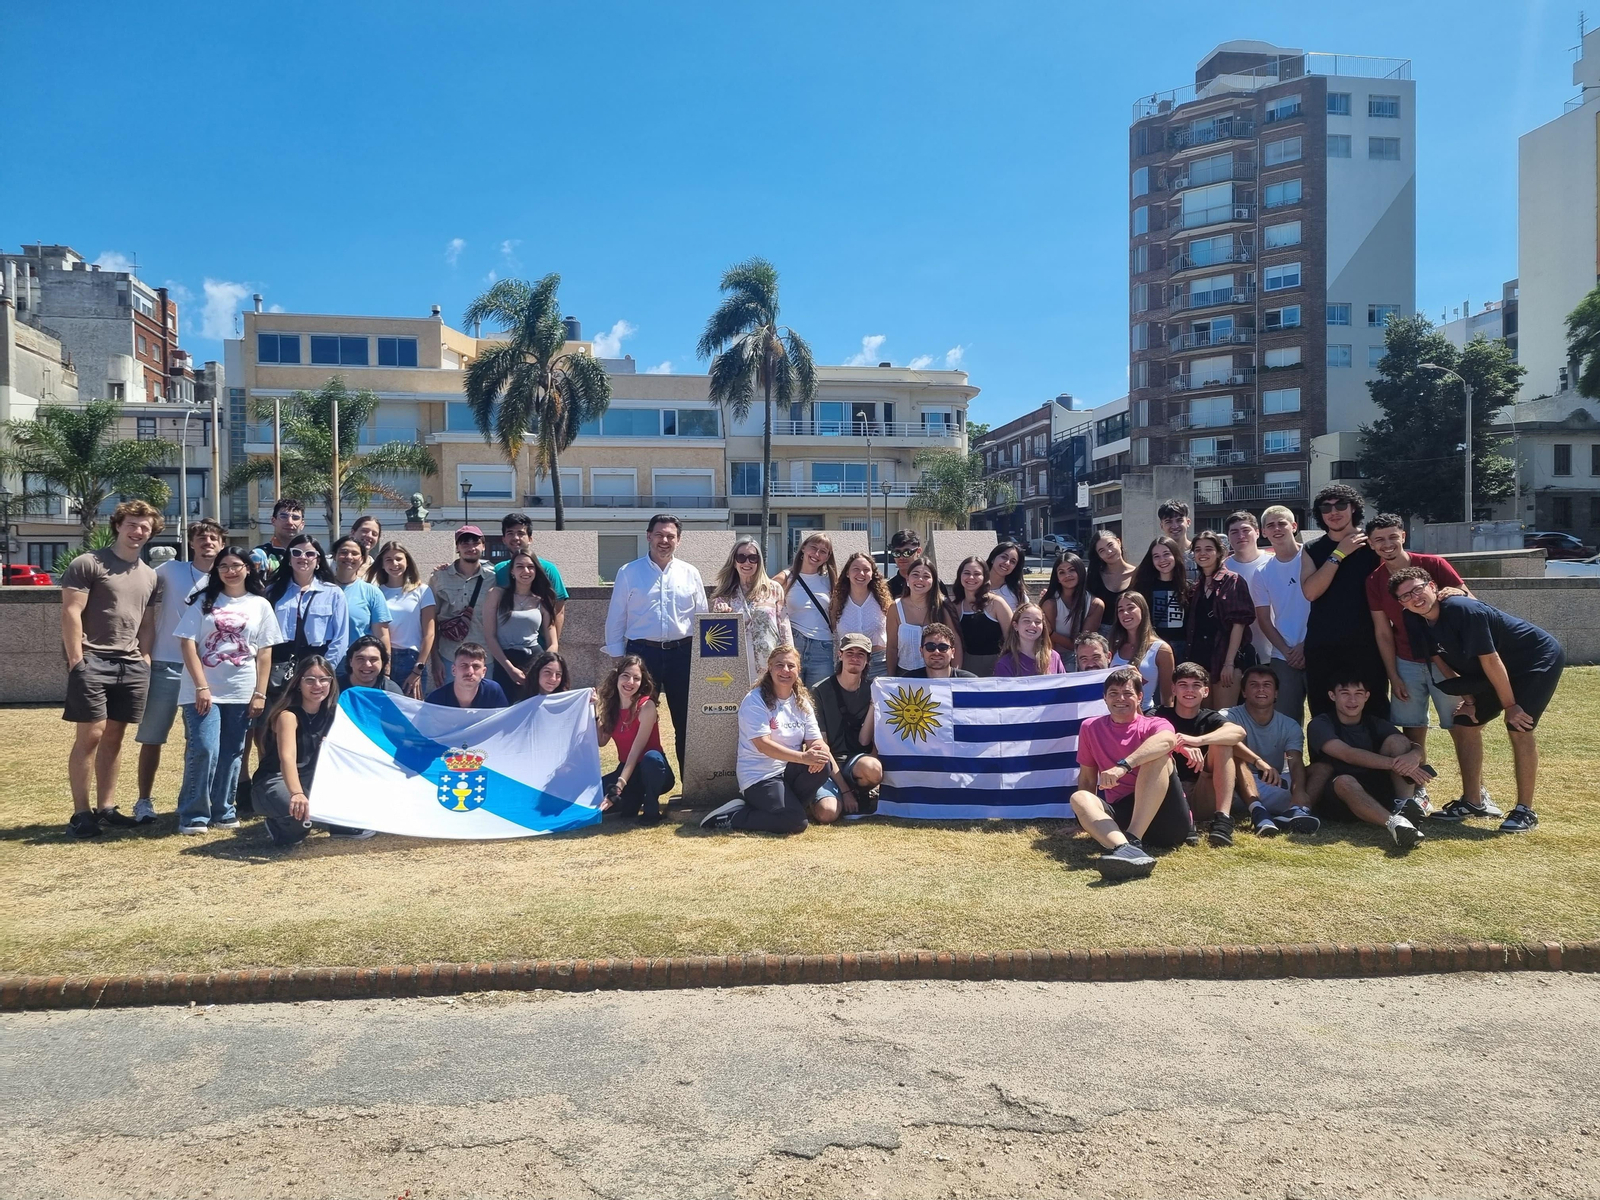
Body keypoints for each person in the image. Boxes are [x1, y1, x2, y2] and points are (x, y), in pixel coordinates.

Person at [1393, 567, 1565, 833]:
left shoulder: (1462, 609)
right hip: (1492, 671)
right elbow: (1439, 659)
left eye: (1418, 588)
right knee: (1464, 722)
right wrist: (1468, 698)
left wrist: (1510, 706)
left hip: (1533, 660)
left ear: (1433, 586)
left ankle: (1525, 811)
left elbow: (1491, 659)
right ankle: (1474, 802)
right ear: (1401, 603)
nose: (1415, 598)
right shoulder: (1413, 619)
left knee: (1519, 726)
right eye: (1405, 596)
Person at [1364, 514, 1485, 815]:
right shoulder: (1374, 580)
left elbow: (1471, 602)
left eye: (1392, 536)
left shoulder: (1433, 564)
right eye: (1379, 539)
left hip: (1448, 661)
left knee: (1463, 725)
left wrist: (1457, 592)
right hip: (1406, 661)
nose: (1387, 544)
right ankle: (1418, 793)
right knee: (1412, 731)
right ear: (1370, 544)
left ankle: (1475, 797)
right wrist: (1393, 675)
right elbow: (1383, 631)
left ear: (1403, 536)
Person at [59, 499, 166, 838]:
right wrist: (77, 660)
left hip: (130, 664)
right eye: (133, 524)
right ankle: (81, 812)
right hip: (93, 660)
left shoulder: (150, 576)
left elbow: (147, 623)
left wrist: (145, 658)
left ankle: (106, 808)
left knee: (115, 738)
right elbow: (71, 612)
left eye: (145, 528)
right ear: (118, 525)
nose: (138, 532)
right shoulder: (88, 564)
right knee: (91, 735)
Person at [172, 547, 282, 835]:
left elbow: (265, 652)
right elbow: (187, 643)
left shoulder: (260, 605)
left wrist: (259, 693)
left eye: (236, 565)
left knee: (233, 751)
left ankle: (223, 809)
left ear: (248, 568)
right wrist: (201, 686)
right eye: (223, 566)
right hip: (203, 690)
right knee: (205, 748)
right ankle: (193, 814)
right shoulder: (203, 602)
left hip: (242, 690)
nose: (230, 571)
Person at [133, 517, 222, 825]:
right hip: (165, 664)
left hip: (207, 674)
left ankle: (192, 800)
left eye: (213, 537)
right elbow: (138, 585)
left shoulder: (227, 579)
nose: (207, 542)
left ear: (222, 544)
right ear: (192, 543)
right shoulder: (171, 571)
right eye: (201, 537)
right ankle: (144, 801)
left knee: (199, 743)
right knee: (153, 736)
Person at [604, 514, 708, 774]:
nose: (664, 540)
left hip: (682, 654)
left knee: (686, 722)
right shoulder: (629, 572)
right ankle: (638, 782)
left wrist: (703, 658)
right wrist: (620, 660)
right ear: (648, 536)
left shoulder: (690, 573)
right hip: (642, 655)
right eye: (659, 534)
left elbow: (702, 617)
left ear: (679, 540)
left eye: (670, 536)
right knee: (637, 721)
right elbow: (617, 615)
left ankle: (690, 783)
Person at [1068, 666, 1194, 881]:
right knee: (1079, 797)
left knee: (1158, 757)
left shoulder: (1155, 723)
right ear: (1105, 698)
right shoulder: (1090, 727)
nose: (1121, 699)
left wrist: (1123, 766)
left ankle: (1133, 839)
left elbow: (1168, 740)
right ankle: (1126, 849)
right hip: (1123, 813)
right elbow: (1088, 777)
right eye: (1114, 694)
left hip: (1167, 817)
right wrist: (1084, 820)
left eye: (1128, 693)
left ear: (1140, 697)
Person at [700, 645, 836, 834]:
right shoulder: (755, 700)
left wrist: (819, 750)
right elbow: (763, 745)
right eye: (779, 665)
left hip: (787, 771)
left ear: (798, 670)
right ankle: (734, 817)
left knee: (824, 763)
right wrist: (804, 758)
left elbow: (815, 740)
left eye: (791, 666)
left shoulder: (801, 701)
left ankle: (785, 808)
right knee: (796, 823)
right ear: (769, 668)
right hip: (759, 777)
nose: (785, 670)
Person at [1306, 675, 1430, 851]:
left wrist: (1414, 756)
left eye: (1358, 693)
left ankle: (1403, 804)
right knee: (1344, 781)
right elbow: (1347, 754)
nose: (1352, 700)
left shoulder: (1373, 722)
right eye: (1345, 693)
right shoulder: (1320, 724)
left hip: (1375, 787)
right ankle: (1395, 823)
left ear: (1367, 696)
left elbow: (1412, 745)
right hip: (1339, 795)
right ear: (1332, 696)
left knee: (1398, 742)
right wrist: (1396, 765)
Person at [1301, 484, 1388, 719]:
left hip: (1367, 645)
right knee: (1323, 712)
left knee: (1374, 711)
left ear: (1353, 508)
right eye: (1326, 507)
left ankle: (1379, 757)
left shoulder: (1373, 545)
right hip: (1323, 646)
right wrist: (1339, 553)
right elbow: (1310, 592)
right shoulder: (1312, 548)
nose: (1333, 511)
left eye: (1340, 505)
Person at [251, 655, 349, 846]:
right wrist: (296, 793)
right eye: (309, 680)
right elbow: (287, 758)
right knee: (298, 822)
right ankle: (278, 825)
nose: (317, 685)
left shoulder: (334, 714)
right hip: (276, 780)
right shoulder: (287, 716)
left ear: (331, 683)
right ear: (298, 683)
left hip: (311, 780)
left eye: (324, 680)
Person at [1153, 662, 1246, 847]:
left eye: (1196, 685)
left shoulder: (1210, 718)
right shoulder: (1159, 714)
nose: (1190, 690)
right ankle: (1182, 819)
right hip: (1168, 795)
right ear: (1173, 689)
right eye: (1183, 685)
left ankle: (1222, 820)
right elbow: (1146, 737)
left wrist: (1198, 740)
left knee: (1222, 744)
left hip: (1202, 792)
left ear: (1206, 691)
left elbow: (1239, 733)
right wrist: (1180, 747)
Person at [1224, 665, 1320, 837]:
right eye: (1254, 684)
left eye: (1267, 685)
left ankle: (1297, 811)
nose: (1261, 689)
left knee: (1322, 769)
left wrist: (1298, 791)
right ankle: (1258, 813)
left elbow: (1294, 759)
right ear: (1244, 692)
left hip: (1272, 780)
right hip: (1237, 787)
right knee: (1235, 757)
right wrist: (1258, 762)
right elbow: (1227, 742)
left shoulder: (1289, 724)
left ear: (1276, 693)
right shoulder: (1228, 716)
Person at [809, 633, 885, 819]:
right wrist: (845, 791)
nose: (855, 658)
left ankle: (862, 791)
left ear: (868, 660)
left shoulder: (874, 690)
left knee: (873, 768)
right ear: (840, 655)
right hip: (827, 764)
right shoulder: (819, 691)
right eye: (850, 652)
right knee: (827, 814)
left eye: (861, 654)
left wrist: (873, 705)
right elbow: (821, 746)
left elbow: (866, 741)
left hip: (857, 761)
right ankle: (824, 796)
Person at [1249, 505, 1313, 721]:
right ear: (1263, 532)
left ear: (1294, 526)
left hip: (1319, 647)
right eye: (1270, 525)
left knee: (1326, 716)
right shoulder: (1263, 572)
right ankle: (1291, 757)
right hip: (1283, 657)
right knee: (1286, 721)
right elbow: (1264, 619)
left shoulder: (1312, 556)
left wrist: (1306, 645)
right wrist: (1287, 652)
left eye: (1282, 523)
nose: (1277, 529)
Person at [595, 655, 674, 824]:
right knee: (593, 796)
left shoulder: (647, 706)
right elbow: (601, 741)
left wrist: (619, 786)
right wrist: (593, 709)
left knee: (650, 758)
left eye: (636, 678)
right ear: (616, 677)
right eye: (625, 675)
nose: (630, 682)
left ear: (642, 683)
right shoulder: (612, 706)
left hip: (654, 769)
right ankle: (633, 799)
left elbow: (635, 752)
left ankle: (651, 810)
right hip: (628, 771)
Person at [266, 535, 351, 690]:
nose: (303, 557)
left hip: (317, 666)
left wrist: (324, 671)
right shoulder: (273, 591)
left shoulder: (333, 593)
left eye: (310, 554)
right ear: (289, 558)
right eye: (296, 553)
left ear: (318, 561)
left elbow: (340, 638)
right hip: (280, 667)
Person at [1185, 530, 1257, 709]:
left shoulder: (1232, 580)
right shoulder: (1196, 587)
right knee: (1204, 717)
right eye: (1198, 549)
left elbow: (1238, 624)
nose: (1203, 554)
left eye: (1208, 549)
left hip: (1225, 659)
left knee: (1223, 717)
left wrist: (1229, 663)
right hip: (1200, 660)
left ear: (1219, 552)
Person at [709, 536, 793, 685]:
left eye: (753, 558)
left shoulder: (773, 589)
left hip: (769, 664)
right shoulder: (724, 595)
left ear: (759, 562)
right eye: (741, 557)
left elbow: (784, 627)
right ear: (734, 562)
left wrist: (790, 658)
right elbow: (716, 636)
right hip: (736, 666)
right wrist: (720, 614)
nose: (747, 562)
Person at [429, 526, 498, 683]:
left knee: (483, 705)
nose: (471, 547)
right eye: (464, 543)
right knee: (450, 705)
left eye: (475, 542)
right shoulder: (439, 577)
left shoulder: (494, 577)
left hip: (485, 658)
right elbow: (430, 620)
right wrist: (435, 659)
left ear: (483, 546)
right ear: (457, 547)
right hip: (449, 656)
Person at [485, 551, 560, 695]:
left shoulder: (543, 599)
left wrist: (542, 667)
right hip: (504, 661)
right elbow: (490, 636)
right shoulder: (495, 594)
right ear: (512, 571)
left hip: (534, 660)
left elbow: (553, 643)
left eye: (530, 567)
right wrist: (510, 669)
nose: (526, 571)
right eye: (520, 566)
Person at [366, 541, 434, 699]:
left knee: (410, 714)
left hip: (411, 660)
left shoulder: (422, 591)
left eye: (398, 559)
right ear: (382, 564)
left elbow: (429, 634)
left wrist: (418, 669)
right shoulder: (376, 592)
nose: (394, 564)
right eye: (388, 560)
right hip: (381, 659)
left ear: (407, 562)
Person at [494, 513, 569, 649]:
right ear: (504, 539)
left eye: (521, 533)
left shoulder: (549, 569)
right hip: (504, 651)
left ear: (530, 539)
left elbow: (558, 610)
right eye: (510, 533)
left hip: (538, 649)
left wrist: (551, 648)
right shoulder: (498, 570)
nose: (515, 538)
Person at [774, 532, 838, 687]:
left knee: (820, 698)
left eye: (823, 551)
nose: (816, 554)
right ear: (803, 548)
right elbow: (762, 597)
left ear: (827, 557)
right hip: (794, 644)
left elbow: (835, 615)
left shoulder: (830, 580)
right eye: (813, 547)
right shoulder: (786, 577)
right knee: (790, 695)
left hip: (822, 648)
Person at [829, 551, 891, 682]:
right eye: (856, 569)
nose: (861, 574)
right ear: (847, 573)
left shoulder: (883, 601)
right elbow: (835, 636)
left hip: (879, 663)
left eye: (866, 570)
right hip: (849, 665)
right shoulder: (838, 601)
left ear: (872, 574)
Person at [884, 555, 950, 676]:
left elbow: (955, 643)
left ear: (933, 581)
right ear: (907, 579)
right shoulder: (895, 608)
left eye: (926, 576)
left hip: (938, 675)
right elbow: (892, 648)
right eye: (915, 575)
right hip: (904, 674)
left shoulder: (943, 606)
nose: (920, 579)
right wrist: (891, 678)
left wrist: (954, 677)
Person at [1109, 592, 1174, 711]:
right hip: (1114, 713)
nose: (1125, 613)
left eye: (1131, 608)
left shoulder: (1161, 649)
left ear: (1143, 610)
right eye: (1121, 610)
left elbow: (1167, 698)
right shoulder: (1113, 646)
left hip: (1146, 713)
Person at [1223, 511, 1272, 667]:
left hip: (1275, 649)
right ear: (1228, 537)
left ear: (1257, 533)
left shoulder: (1274, 562)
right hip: (1235, 653)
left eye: (1246, 530)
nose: (1240, 536)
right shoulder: (1222, 569)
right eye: (1234, 532)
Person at [1131, 536, 1190, 664]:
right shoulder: (1143, 587)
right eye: (1156, 556)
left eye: (1166, 554)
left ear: (1175, 555)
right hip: (1152, 646)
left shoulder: (1187, 587)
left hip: (1181, 648)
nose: (1162, 560)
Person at [950, 555, 1012, 676]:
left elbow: (1011, 639)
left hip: (996, 666)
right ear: (960, 576)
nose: (971, 577)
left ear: (984, 577)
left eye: (977, 574)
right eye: (966, 573)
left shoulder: (997, 603)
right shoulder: (955, 607)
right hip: (967, 667)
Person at [330, 536, 391, 652]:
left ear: (362, 559)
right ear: (334, 556)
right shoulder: (321, 589)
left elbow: (382, 634)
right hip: (323, 662)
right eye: (344, 552)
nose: (349, 557)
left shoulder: (372, 592)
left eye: (354, 553)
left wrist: (386, 666)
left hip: (359, 663)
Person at [1039, 552, 1103, 659]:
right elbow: (1049, 646)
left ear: (1081, 572)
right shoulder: (1050, 604)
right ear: (1057, 578)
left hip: (1082, 657)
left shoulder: (1095, 604)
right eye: (1061, 572)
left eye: (1072, 570)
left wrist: (1051, 633)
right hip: (1054, 657)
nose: (1067, 575)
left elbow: (1083, 644)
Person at [424, 642, 509, 709]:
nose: (470, 672)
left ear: (484, 672)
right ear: (454, 670)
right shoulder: (435, 700)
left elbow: (504, 723)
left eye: (476, 666)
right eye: (464, 665)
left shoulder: (493, 692)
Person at [1087, 529, 1136, 636]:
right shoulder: (1093, 578)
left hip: (1133, 635)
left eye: (1110, 545)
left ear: (1118, 542)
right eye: (1101, 551)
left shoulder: (1139, 575)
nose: (1108, 552)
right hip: (1102, 639)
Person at [994, 602, 1066, 675]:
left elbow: (1064, 684)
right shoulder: (1005, 664)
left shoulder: (1054, 657)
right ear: (1015, 626)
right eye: (1027, 621)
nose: (1033, 625)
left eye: (1038, 622)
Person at [254, 498, 305, 585]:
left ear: (302, 524)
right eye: (283, 516)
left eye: (295, 518)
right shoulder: (260, 556)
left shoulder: (309, 556)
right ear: (273, 521)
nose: (289, 522)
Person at [902, 622, 976, 679]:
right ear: (921, 651)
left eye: (943, 647)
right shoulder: (907, 681)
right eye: (930, 647)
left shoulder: (970, 683)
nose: (936, 652)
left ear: (953, 652)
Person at [337, 635, 403, 694]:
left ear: (382, 663)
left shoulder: (392, 693)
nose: (367, 664)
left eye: (373, 659)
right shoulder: (334, 689)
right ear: (350, 661)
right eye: (360, 658)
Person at [985, 540, 1030, 613]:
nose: (1007, 563)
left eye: (1013, 561)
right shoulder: (975, 585)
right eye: (1004, 557)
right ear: (993, 558)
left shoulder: (1017, 594)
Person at [1157, 498, 1195, 574]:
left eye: (1179, 520)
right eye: (1168, 522)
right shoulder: (1157, 556)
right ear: (1161, 526)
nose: (1174, 526)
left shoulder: (1199, 552)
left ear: (1188, 522)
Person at [885, 529, 922, 599]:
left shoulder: (933, 585)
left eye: (907, 553)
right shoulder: (887, 589)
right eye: (897, 553)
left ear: (918, 551)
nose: (901, 557)